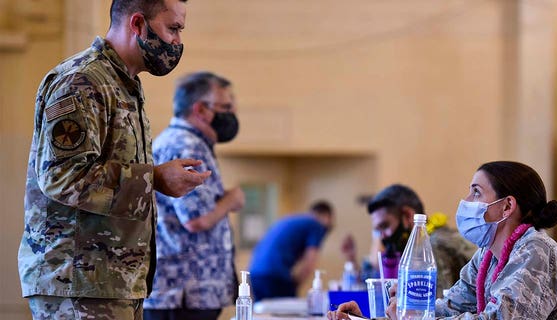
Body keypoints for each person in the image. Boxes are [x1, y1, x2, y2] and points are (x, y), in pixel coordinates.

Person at [17, 1, 211, 319]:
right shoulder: (82, 81)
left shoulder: (123, 84)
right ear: (137, 24)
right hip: (77, 283)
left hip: (113, 281)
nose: (177, 41)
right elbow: (62, 176)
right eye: (172, 28)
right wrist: (155, 179)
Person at [329, 161, 557, 319]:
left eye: (476, 192)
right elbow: (451, 306)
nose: (466, 202)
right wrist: (372, 318)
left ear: (507, 206)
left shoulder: (536, 250)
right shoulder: (487, 255)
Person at [143, 71, 245, 320]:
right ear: (200, 109)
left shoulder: (184, 141)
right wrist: (230, 201)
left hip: (186, 291)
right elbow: (195, 219)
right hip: (182, 292)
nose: (232, 114)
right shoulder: (187, 145)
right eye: (226, 107)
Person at [341, 184, 476, 297]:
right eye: (377, 230)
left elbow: (431, 311)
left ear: (408, 216)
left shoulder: (432, 248)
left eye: (385, 226)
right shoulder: (428, 242)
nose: (382, 236)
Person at [249, 201, 335, 301]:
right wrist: (295, 285)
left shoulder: (293, 220)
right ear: (326, 216)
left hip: (256, 273)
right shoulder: (316, 225)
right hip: (274, 276)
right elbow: (310, 263)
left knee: (263, 313)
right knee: (290, 312)